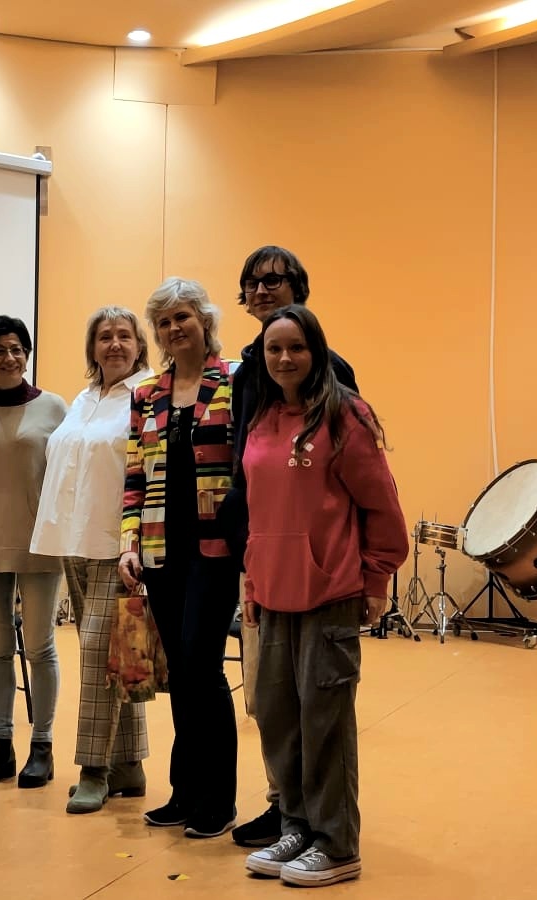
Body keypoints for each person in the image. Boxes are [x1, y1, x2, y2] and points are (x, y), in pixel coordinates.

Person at [237, 304, 406, 887]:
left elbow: (382, 506)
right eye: (274, 349)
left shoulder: (344, 415)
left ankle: (336, 844)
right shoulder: (262, 418)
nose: (284, 358)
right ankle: (297, 827)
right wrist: (253, 582)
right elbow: (259, 513)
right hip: (272, 593)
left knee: (323, 721)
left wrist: (376, 578)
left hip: (328, 591)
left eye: (296, 347)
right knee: (277, 717)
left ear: (316, 352)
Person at [225, 245, 360, 846]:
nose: (262, 289)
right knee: (269, 696)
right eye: (253, 282)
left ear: (298, 288)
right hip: (262, 555)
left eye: (275, 280)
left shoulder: (334, 372)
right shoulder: (245, 371)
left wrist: (362, 573)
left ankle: (312, 824)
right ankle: (287, 810)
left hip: (319, 568)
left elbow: (353, 475)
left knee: (316, 703)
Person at [119, 276, 241, 839]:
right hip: (159, 547)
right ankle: (185, 791)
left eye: (183, 317)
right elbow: (134, 477)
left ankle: (218, 798)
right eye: (164, 322)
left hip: (215, 549)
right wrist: (129, 543)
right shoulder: (146, 394)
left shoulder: (234, 381)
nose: (174, 328)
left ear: (205, 320)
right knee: (179, 672)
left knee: (201, 666)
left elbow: (244, 466)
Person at [32, 306, 155, 814]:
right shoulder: (83, 400)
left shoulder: (146, 396)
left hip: (117, 544)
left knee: (95, 656)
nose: (115, 344)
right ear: (92, 348)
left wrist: (137, 541)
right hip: (74, 539)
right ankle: (129, 764)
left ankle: (93, 770)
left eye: (125, 335)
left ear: (139, 346)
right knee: (117, 656)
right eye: (104, 336)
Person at [0, 316, 69, 788]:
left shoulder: (54, 407)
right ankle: (0, 745)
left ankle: (42, 745)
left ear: (27, 354)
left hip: (41, 540)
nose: (10, 357)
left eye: (18, 348)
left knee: (41, 647)